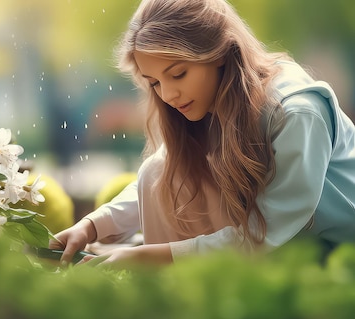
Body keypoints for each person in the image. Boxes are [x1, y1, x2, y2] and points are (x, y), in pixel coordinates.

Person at [49, 0, 355, 268]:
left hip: (334, 254)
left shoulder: (297, 112)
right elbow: (164, 179)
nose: (168, 94)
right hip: (279, 249)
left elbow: (272, 228)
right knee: (156, 170)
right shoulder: (210, 104)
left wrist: (156, 257)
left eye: (178, 74)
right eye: (154, 82)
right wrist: (91, 226)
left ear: (219, 52)